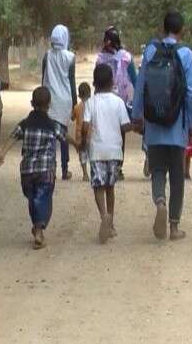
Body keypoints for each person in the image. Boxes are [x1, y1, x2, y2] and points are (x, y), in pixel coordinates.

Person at [132, 12, 192, 241]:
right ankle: (174, 226)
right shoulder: (186, 54)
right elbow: (190, 93)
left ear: (163, 28)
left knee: (158, 169)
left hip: (154, 123)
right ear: (182, 30)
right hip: (177, 125)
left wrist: (137, 116)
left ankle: (160, 200)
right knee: (177, 174)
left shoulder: (151, 51)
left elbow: (141, 85)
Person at [0, 87, 78, 249]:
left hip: (27, 172)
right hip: (45, 171)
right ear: (49, 105)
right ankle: (39, 230)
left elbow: (13, 137)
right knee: (43, 198)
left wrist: (2, 153)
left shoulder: (25, 124)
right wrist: (77, 144)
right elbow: (64, 136)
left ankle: (37, 228)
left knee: (33, 199)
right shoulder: (52, 125)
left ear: (32, 103)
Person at [82, 64, 132, 244]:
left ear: (94, 83)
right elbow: (125, 126)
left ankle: (103, 215)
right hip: (115, 151)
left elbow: (85, 126)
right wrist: (135, 125)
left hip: (97, 150)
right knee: (110, 187)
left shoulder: (90, 102)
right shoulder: (118, 102)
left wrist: (83, 142)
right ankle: (110, 223)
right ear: (112, 82)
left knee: (98, 187)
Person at [96, 26, 137, 180]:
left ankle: (108, 165)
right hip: (121, 102)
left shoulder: (100, 59)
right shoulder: (127, 57)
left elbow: (96, 81)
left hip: (104, 102)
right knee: (120, 135)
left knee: (105, 133)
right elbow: (134, 79)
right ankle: (117, 168)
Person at [42, 24, 77, 180]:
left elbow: (43, 77)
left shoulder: (47, 56)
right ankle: (64, 169)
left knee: (50, 134)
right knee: (63, 135)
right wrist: (75, 103)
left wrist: (41, 98)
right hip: (64, 100)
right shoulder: (71, 57)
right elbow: (72, 81)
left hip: (49, 99)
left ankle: (51, 168)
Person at [73, 82, 91, 182]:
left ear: (79, 95)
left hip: (80, 136)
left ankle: (85, 174)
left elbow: (72, 118)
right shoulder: (92, 106)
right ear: (90, 94)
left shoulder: (77, 107)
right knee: (92, 155)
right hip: (91, 135)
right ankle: (93, 172)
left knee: (82, 155)